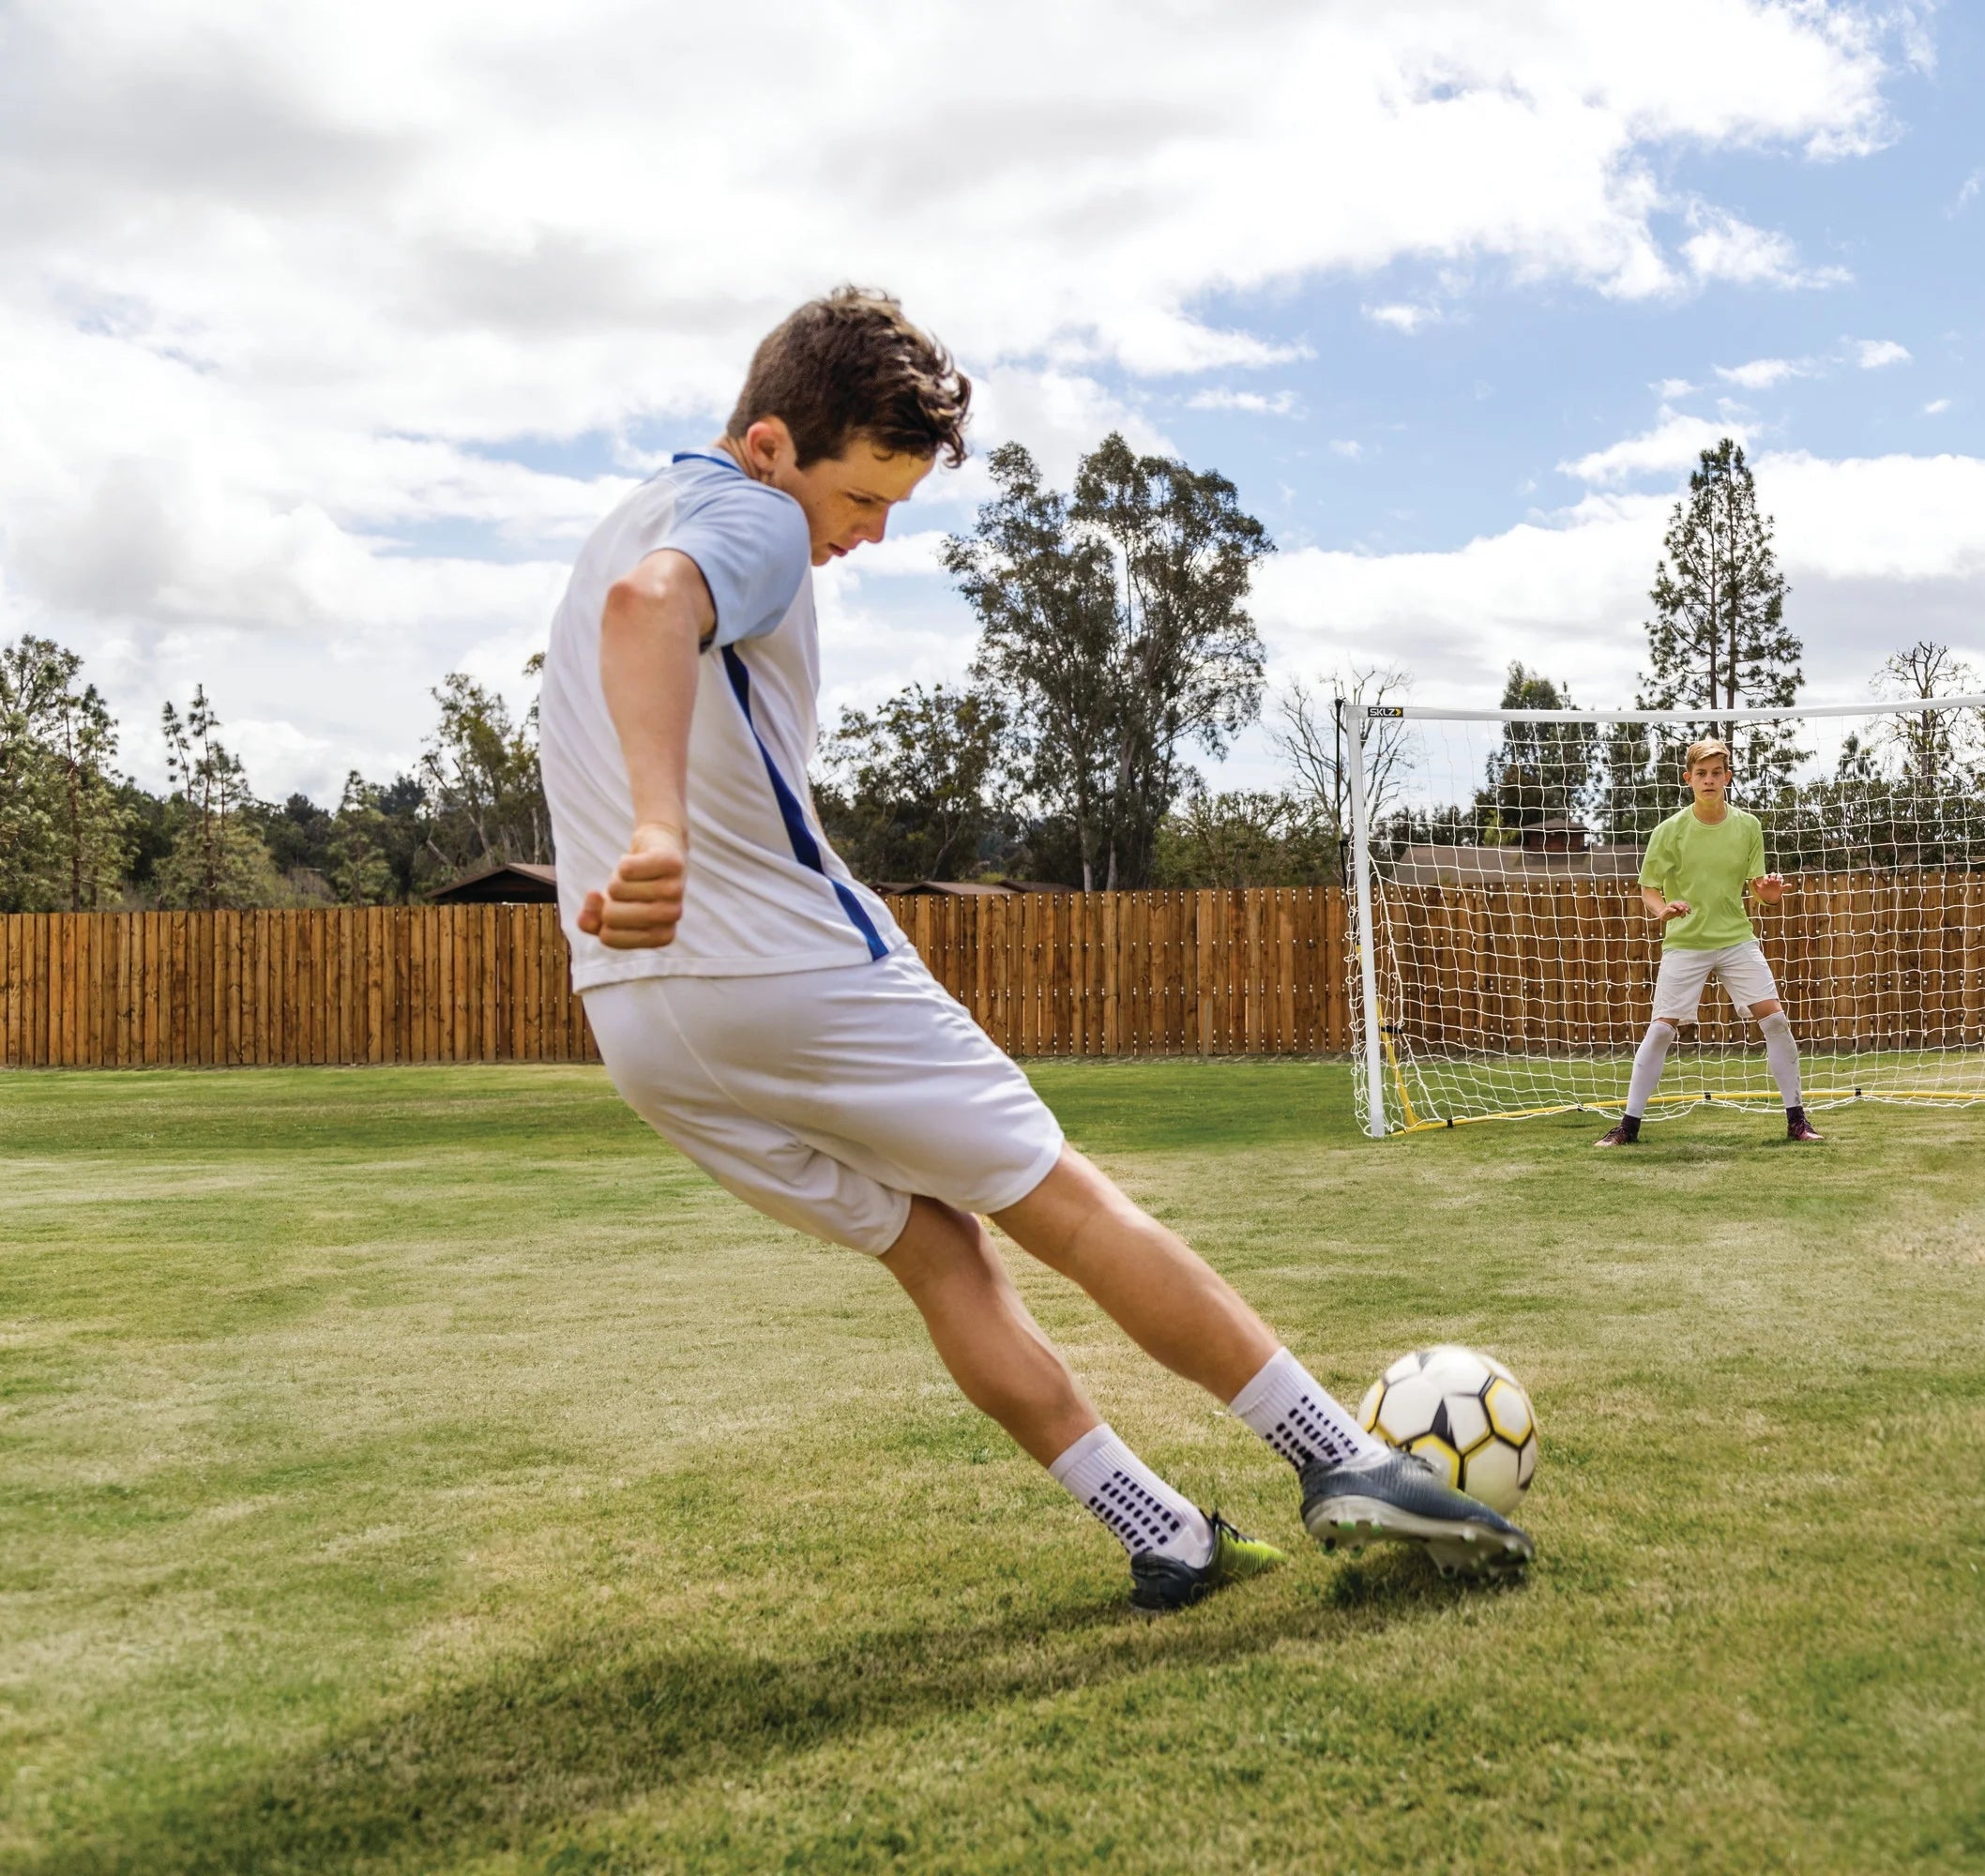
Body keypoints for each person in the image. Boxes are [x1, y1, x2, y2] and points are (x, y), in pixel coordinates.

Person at [538, 285, 1530, 1612]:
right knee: (1065, 1202)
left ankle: (1163, 1532)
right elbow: (650, 608)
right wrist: (661, 830)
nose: (868, 532)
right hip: (785, 969)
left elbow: (628, 603)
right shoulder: (754, 513)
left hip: (640, 1022)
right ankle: (1339, 1456)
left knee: (936, 1253)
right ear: (771, 444)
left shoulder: (623, 516)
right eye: (861, 495)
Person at [1596, 738, 1825, 1146]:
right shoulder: (1669, 831)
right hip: (1686, 943)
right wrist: (1662, 910)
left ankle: (1797, 1121)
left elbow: (1760, 891)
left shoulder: (1748, 826)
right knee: (1661, 1030)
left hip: (1735, 939)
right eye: (1701, 773)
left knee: (1775, 1020)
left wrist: (1771, 894)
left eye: (1717, 773)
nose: (1709, 780)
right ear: (1689, 779)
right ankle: (1628, 1127)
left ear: (1727, 777)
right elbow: (1649, 888)